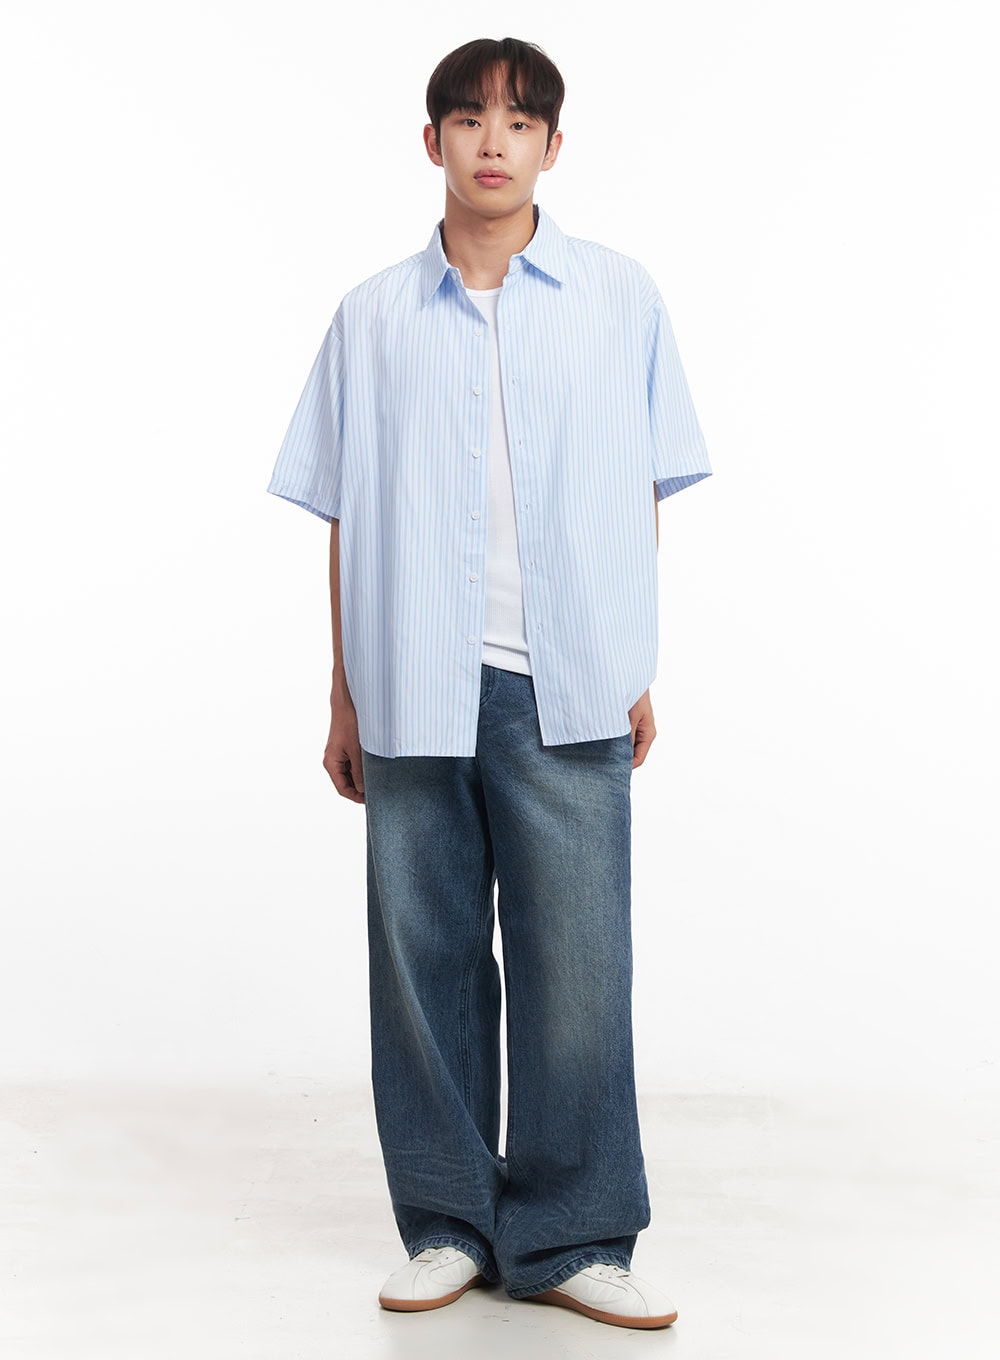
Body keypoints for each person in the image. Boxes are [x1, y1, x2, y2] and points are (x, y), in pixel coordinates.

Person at [267, 36, 711, 1331]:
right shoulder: (371, 317)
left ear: (554, 147)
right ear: (433, 143)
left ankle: (574, 1236)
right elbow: (345, 511)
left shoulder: (620, 298)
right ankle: (448, 1223)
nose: (494, 142)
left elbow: (641, 488)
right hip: (411, 675)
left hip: (565, 679)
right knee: (427, 965)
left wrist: (628, 659)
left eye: (520, 122)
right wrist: (344, 692)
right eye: (468, 119)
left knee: (579, 970)